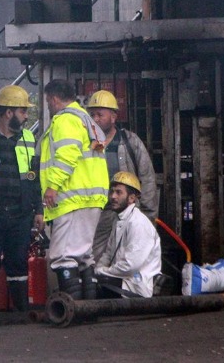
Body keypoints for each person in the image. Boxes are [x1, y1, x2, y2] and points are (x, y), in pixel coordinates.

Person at [0, 85, 44, 314]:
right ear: (8, 112)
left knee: (18, 263)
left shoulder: (28, 138)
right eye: (23, 111)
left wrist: (38, 210)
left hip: (19, 213)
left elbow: (34, 177)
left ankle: (21, 314)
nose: (26, 116)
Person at [40, 79, 110, 301]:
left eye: (48, 100)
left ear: (54, 98)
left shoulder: (65, 120)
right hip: (90, 198)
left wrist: (53, 186)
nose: (49, 105)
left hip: (72, 198)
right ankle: (88, 309)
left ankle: (74, 310)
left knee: (64, 256)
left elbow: (67, 155)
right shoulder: (87, 121)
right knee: (83, 256)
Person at [86, 89, 158, 262]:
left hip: (128, 213)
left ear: (113, 116)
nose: (95, 119)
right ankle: (99, 287)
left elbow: (147, 178)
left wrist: (148, 215)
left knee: (128, 257)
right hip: (99, 214)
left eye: (100, 115)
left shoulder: (129, 141)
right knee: (95, 258)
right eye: (92, 115)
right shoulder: (86, 144)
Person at [95, 171, 162, 298]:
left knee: (92, 288)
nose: (113, 196)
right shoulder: (119, 219)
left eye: (119, 192)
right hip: (123, 280)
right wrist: (98, 269)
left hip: (136, 287)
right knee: (89, 282)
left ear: (132, 198)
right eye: (112, 191)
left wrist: (102, 272)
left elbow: (130, 265)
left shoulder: (138, 223)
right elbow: (108, 253)